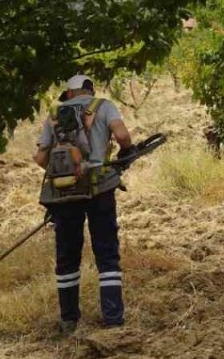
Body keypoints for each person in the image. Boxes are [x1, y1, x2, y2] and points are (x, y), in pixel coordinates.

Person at [34, 74, 135, 334]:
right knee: (106, 253)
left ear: (68, 93)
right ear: (90, 90)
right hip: (100, 188)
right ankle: (113, 318)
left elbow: (40, 157)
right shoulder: (103, 106)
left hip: (65, 193)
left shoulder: (54, 113)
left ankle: (69, 319)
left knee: (67, 256)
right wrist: (125, 153)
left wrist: (64, 172)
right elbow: (123, 135)